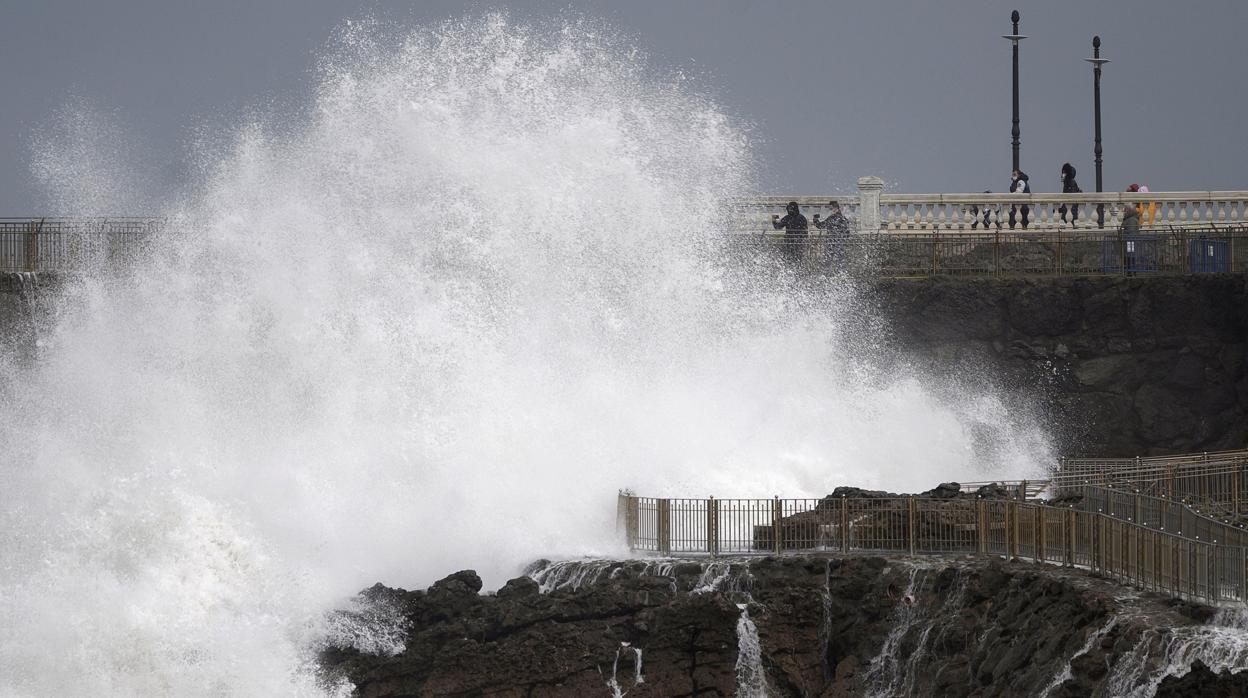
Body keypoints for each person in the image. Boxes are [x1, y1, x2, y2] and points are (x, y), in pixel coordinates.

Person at [813, 200, 851, 269]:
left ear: (836, 209)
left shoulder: (832, 218)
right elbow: (847, 233)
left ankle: (827, 275)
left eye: (831, 208)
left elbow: (820, 226)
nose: (831, 210)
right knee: (840, 260)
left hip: (831, 242)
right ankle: (842, 274)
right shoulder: (843, 219)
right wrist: (843, 238)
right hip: (838, 242)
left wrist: (815, 219)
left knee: (828, 260)